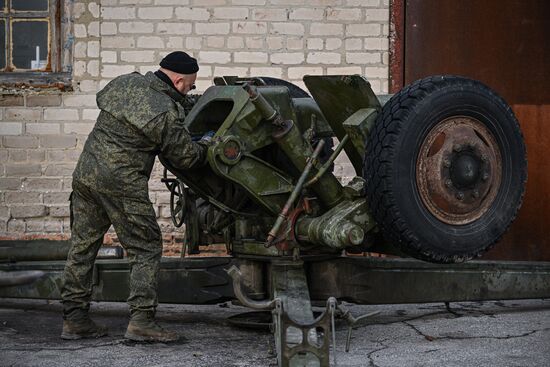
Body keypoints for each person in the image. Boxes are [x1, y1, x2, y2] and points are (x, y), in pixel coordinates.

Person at [60, 51, 211, 342]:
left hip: (87, 175)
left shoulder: (126, 83)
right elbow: (186, 158)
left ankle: (74, 319)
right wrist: (206, 144)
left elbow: (148, 105)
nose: (189, 90)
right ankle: (142, 321)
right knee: (146, 247)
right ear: (179, 81)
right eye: (190, 86)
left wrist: (189, 102)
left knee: (82, 247)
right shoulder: (165, 113)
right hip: (121, 183)